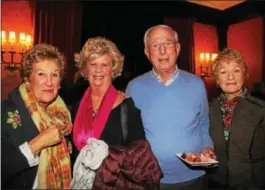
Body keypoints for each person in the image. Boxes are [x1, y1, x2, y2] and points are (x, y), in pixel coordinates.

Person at [126, 24, 215, 190]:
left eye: (167, 43)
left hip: (194, 177)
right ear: (147, 52)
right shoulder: (133, 88)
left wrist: (207, 146)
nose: (162, 51)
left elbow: (204, 123)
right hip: (151, 178)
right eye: (155, 45)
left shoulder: (197, 84)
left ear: (178, 48)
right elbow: (130, 135)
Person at [70, 37, 162, 189]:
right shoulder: (77, 107)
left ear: (113, 69)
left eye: (104, 65)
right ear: (85, 69)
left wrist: (109, 159)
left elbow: (142, 161)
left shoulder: (126, 108)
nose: (98, 70)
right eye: (93, 64)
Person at [208, 48, 265, 189]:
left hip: (253, 184)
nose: (231, 77)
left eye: (236, 70)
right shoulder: (209, 107)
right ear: (217, 79)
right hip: (217, 182)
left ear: (245, 74)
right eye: (223, 72)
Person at [1, 44, 73, 189]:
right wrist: (37, 144)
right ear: (28, 78)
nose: (49, 82)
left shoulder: (63, 116)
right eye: (41, 74)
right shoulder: (5, 111)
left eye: (55, 74)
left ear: (60, 83)